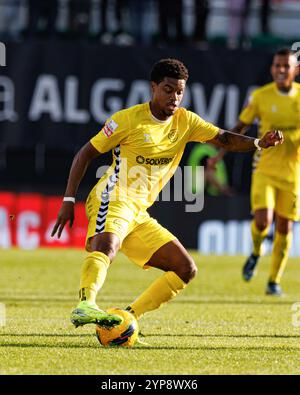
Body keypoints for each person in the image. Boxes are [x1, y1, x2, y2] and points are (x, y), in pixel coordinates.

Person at [51, 58, 283, 330]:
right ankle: (85, 304)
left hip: (139, 211)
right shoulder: (127, 120)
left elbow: (224, 138)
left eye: (179, 91)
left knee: (185, 269)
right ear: (153, 87)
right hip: (113, 196)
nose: (174, 97)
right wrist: (68, 200)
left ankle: (127, 320)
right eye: (168, 89)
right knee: (107, 246)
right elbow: (85, 154)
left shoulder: (186, 121)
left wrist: (258, 142)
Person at [208, 48, 300, 296]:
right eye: (276, 65)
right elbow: (241, 126)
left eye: (285, 66)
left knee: (284, 228)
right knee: (263, 220)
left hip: (293, 173)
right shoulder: (260, 96)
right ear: (272, 69)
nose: (280, 70)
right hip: (265, 169)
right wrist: (219, 154)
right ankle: (257, 251)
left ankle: (273, 281)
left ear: (295, 70)